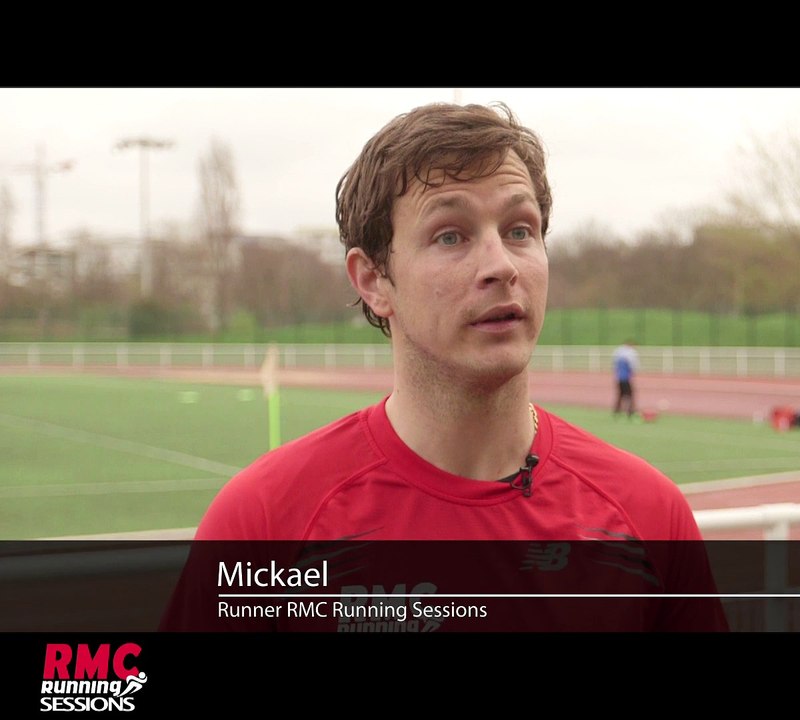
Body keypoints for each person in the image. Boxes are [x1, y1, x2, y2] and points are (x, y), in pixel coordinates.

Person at [166, 102, 726, 632]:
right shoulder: (266, 523)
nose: (501, 265)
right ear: (373, 280)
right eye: (450, 236)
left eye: (520, 230)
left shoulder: (648, 514)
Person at [612, 339, 639, 419]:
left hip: (619, 378)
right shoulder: (630, 353)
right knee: (630, 394)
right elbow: (633, 366)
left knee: (620, 394)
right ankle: (630, 412)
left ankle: (617, 411)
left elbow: (614, 365)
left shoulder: (618, 352)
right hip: (625, 378)